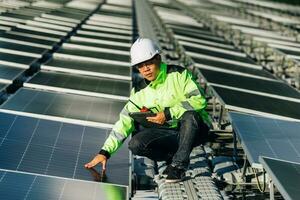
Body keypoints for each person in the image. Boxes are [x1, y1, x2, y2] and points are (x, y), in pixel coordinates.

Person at [85, 38, 210, 183]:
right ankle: (173, 157)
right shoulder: (139, 91)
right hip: (171, 133)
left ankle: (178, 166)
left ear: (158, 58)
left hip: (196, 130)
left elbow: (198, 100)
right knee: (135, 144)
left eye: (149, 63)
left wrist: (168, 113)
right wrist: (105, 152)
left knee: (190, 116)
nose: (146, 69)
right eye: (140, 66)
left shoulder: (179, 75)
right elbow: (125, 121)